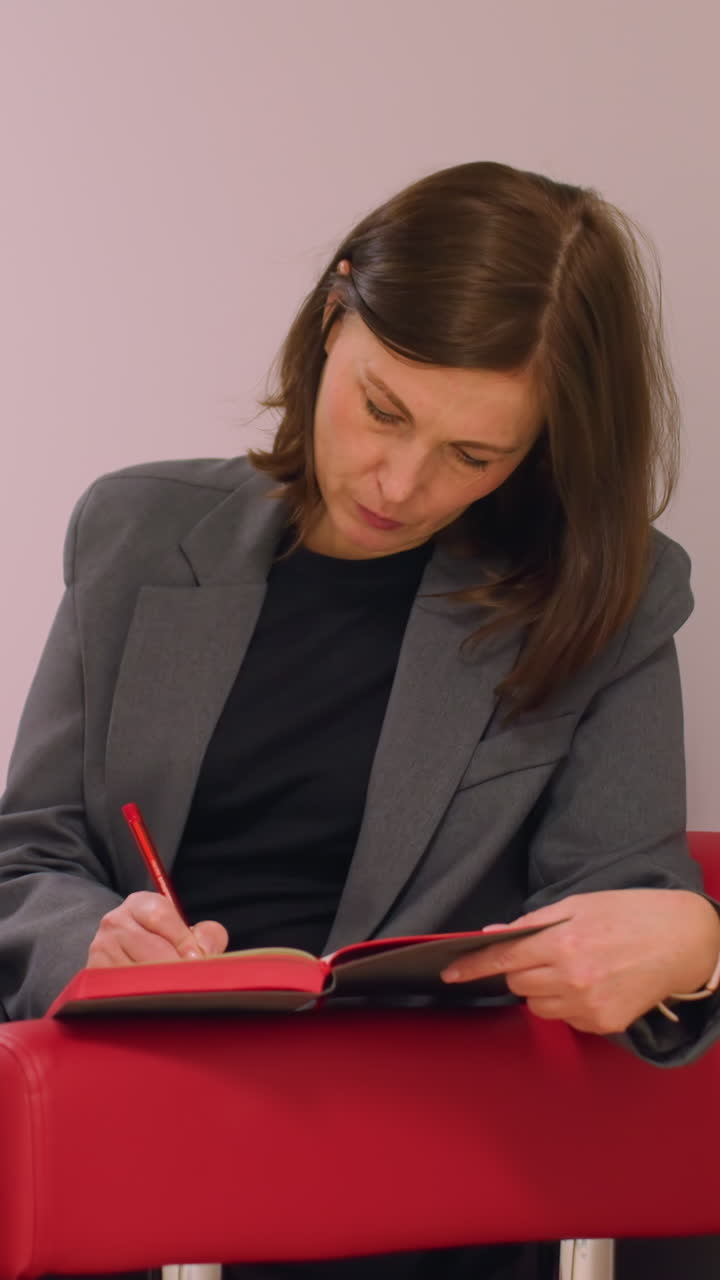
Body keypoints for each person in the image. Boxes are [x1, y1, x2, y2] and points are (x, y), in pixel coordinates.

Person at [1, 159, 720, 1280]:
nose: (398, 479)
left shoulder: (603, 599)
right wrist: (94, 940)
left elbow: (631, 898)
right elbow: (30, 849)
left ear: (537, 450)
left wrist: (689, 954)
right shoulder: (135, 532)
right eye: (383, 408)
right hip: (134, 1123)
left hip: (419, 1160)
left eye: (473, 455)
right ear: (333, 315)